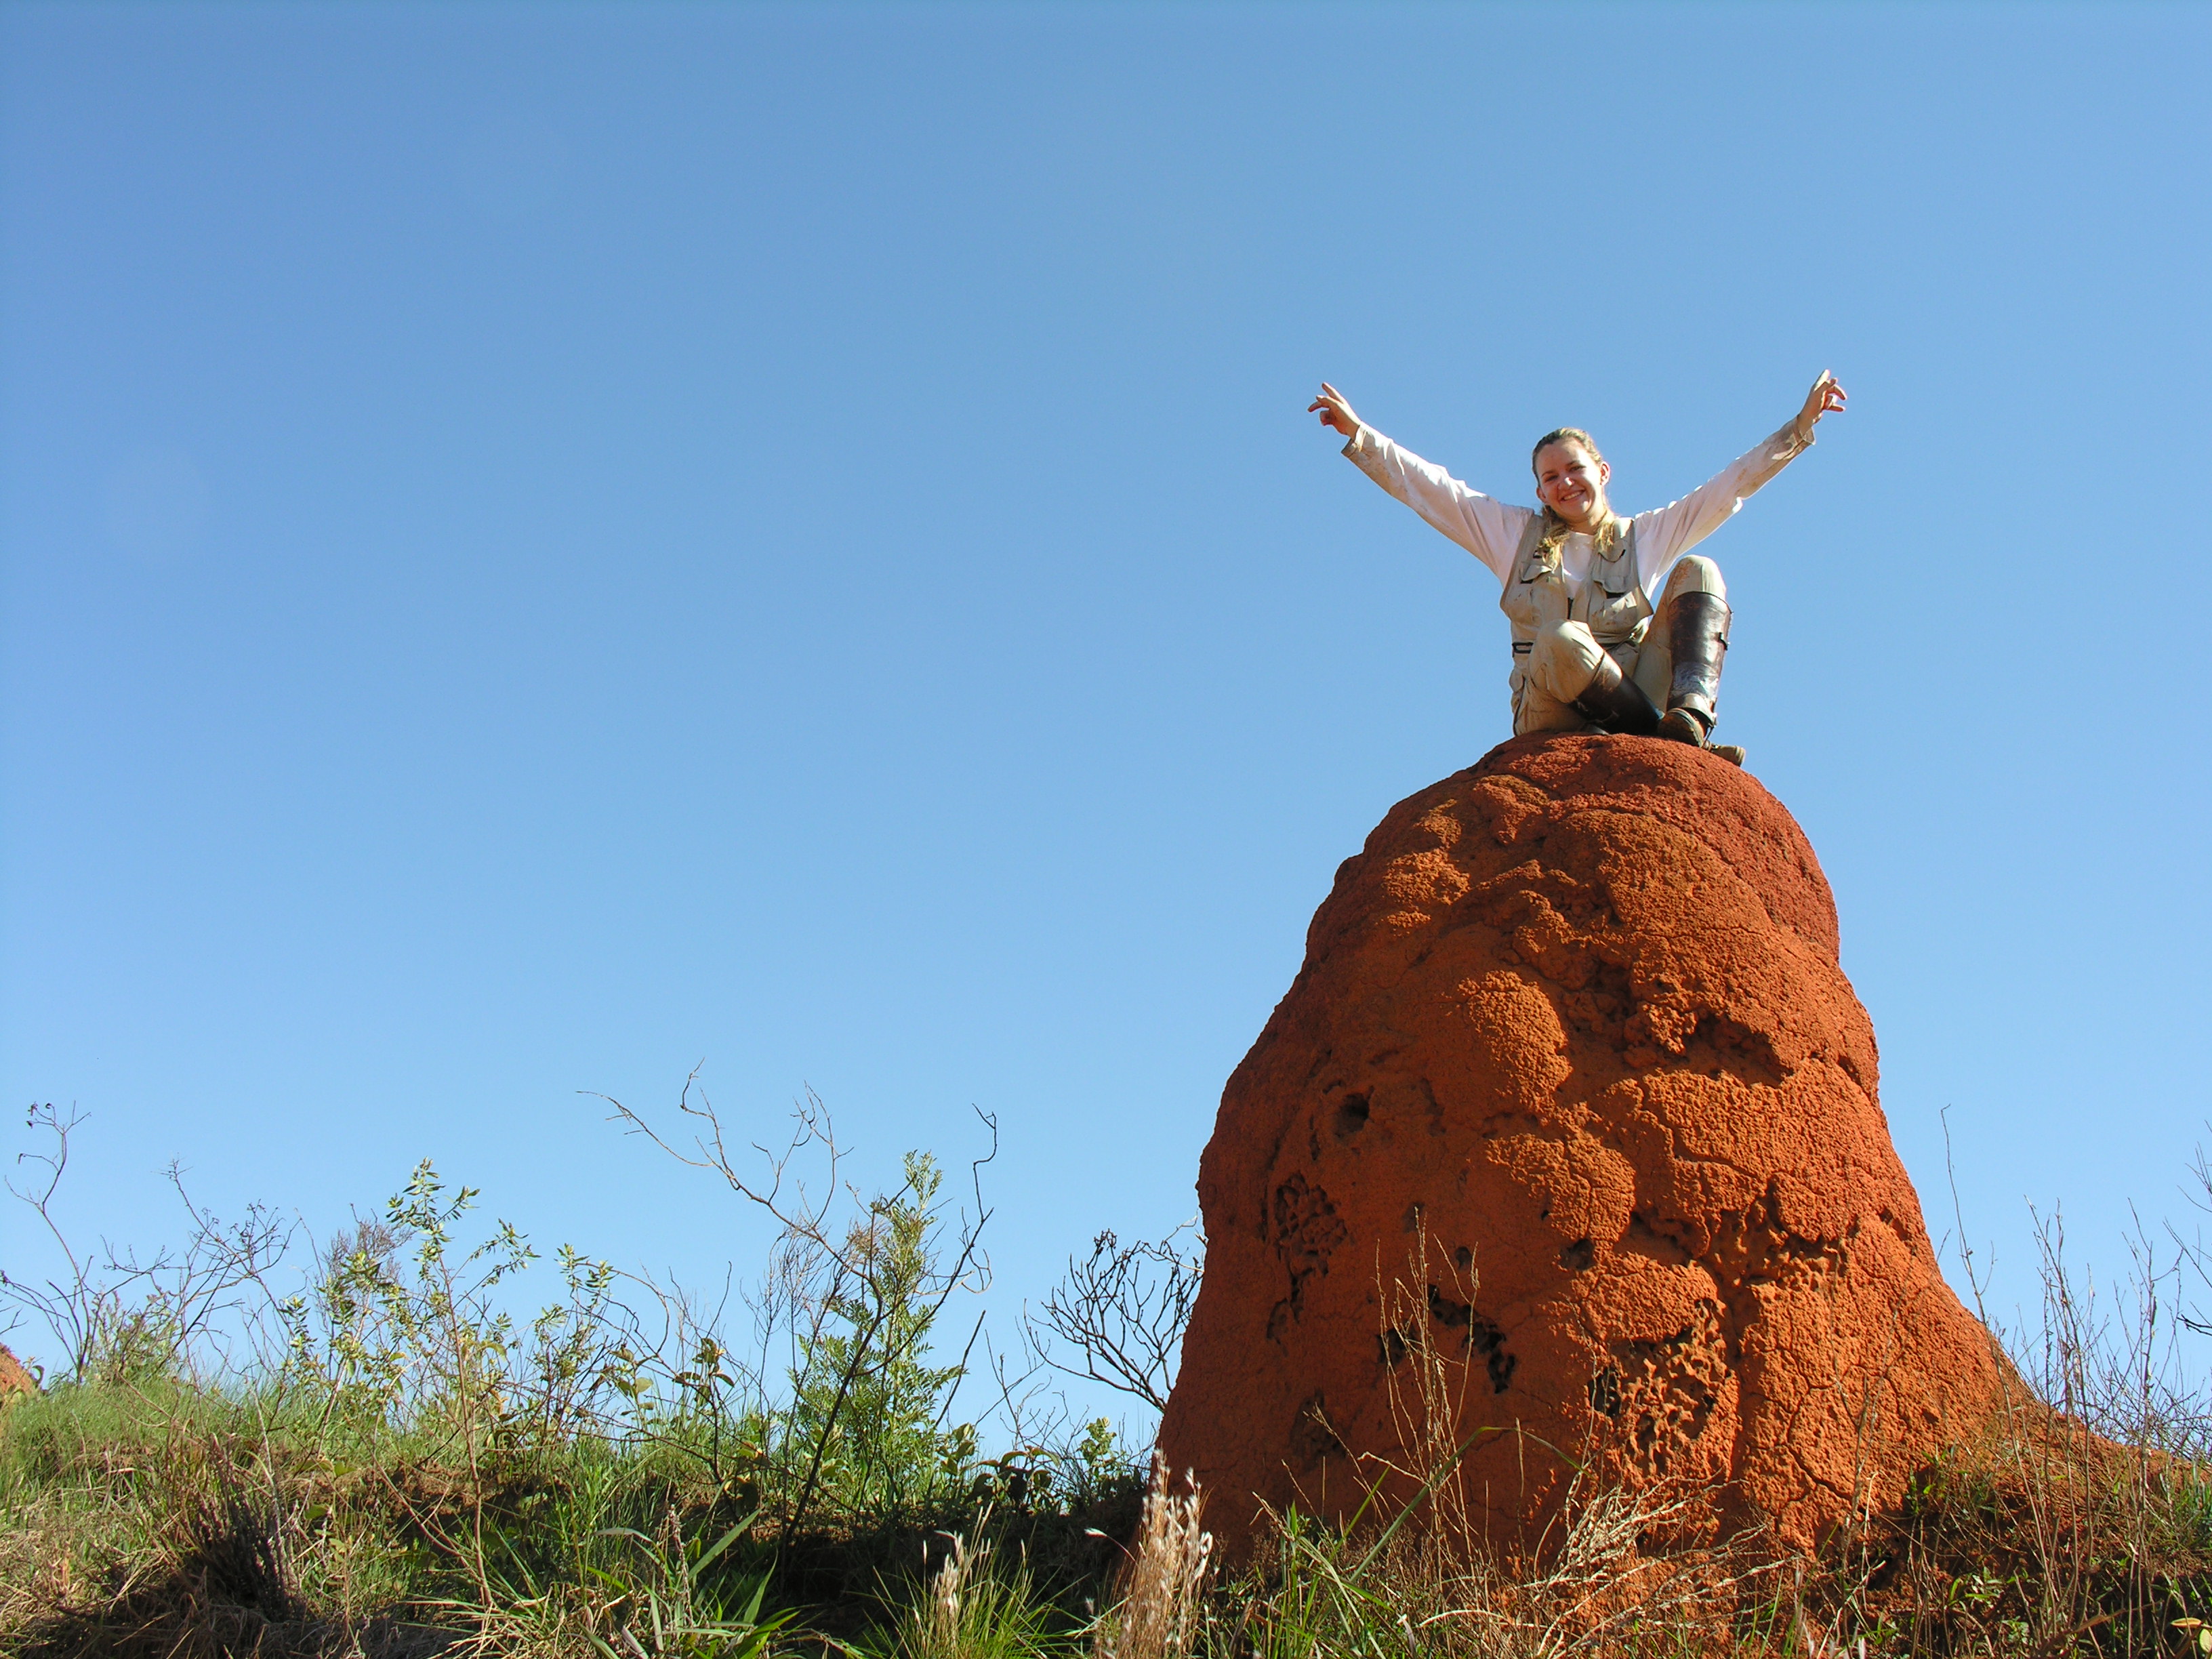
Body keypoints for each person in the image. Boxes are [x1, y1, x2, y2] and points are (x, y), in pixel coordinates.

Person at [1307, 373, 1846, 761]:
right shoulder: (1514, 536)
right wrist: (1360, 435)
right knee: (1562, 637)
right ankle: (1665, 742)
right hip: (1551, 706)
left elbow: (1726, 490)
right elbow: (1433, 491)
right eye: (1549, 477)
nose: (1564, 483)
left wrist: (1797, 429)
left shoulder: (1644, 537)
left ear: (1603, 471)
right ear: (1538, 490)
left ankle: (1690, 722)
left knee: (1700, 569)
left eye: (1574, 469)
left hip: (1632, 684)